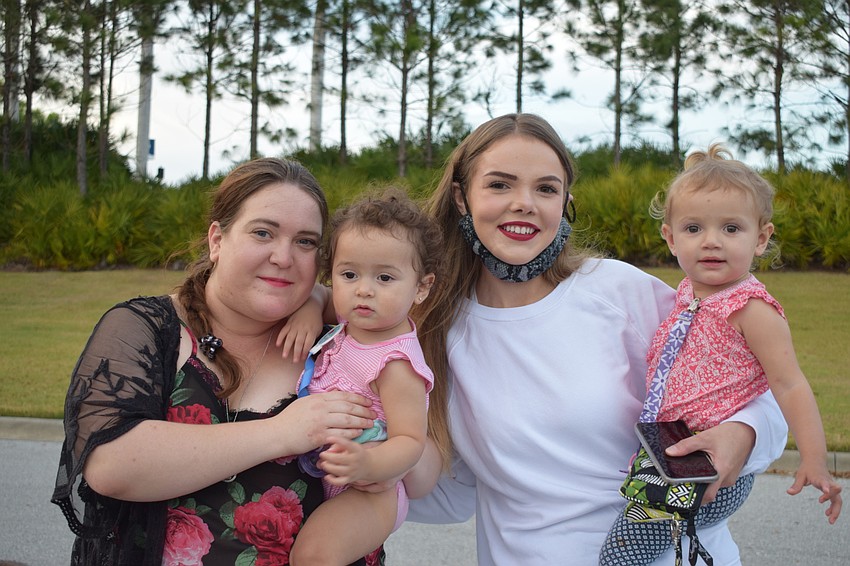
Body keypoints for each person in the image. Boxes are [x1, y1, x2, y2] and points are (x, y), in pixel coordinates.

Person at [402, 113, 790, 565]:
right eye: (500, 185)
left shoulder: (621, 292)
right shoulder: (431, 333)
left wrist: (744, 434)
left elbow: (762, 398)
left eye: (546, 189)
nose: (524, 203)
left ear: (565, 202)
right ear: (461, 197)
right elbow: (454, 492)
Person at [51, 157, 382, 566]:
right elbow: (111, 465)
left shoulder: (345, 343)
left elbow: (424, 456)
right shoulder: (147, 329)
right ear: (217, 240)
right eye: (263, 232)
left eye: (305, 242)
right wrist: (284, 432)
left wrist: (316, 298)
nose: (284, 257)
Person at [599, 144, 842, 565]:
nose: (711, 241)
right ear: (671, 238)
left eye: (731, 228)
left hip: (711, 468)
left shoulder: (751, 309)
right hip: (678, 455)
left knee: (621, 555)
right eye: (694, 228)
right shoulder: (688, 293)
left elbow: (790, 384)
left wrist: (814, 460)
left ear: (761, 238)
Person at [286, 189, 442, 565]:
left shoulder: (395, 363)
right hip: (333, 472)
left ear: (421, 287)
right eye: (349, 274)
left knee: (314, 556)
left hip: (371, 491)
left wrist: (369, 465)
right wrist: (310, 307)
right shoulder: (353, 319)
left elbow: (410, 441)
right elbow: (325, 295)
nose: (364, 290)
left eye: (385, 277)